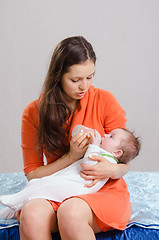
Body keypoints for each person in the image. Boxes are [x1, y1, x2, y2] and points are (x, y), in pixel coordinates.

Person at [17, 36, 133, 240]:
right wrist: (71, 157)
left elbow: (122, 161)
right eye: (75, 80)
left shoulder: (105, 100)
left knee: (70, 213)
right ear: (58, 76)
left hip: (101, 190)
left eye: (90, 77)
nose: (84, 87)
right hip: (56, 188)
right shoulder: (34, 112)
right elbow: (33, 174)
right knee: (31, 215)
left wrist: (113, 169)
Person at [0, 125, 141, 219]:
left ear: (117, 152)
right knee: (38, 183)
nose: (105, 135)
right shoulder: (103, 153)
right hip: (68, 181)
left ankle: (16, 201)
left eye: (111, 137)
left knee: (44, 186)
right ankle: (14, 206)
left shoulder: (107, 159)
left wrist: (93, 145)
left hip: (77, 188)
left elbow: (89, 164)